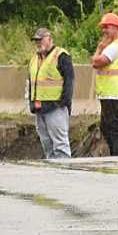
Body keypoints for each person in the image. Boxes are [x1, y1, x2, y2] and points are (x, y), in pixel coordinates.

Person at [27, 27, 73, 160]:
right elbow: (31, 83)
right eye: (36, 40)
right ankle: (52, 175)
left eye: (40, 40)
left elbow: (69, 81)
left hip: (55, 108)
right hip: (39, 108)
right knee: (47, 145)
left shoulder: (61, 55)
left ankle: (64, 175)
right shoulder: (34, 60)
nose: (38, 43)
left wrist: (63, 102)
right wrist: (31, 104)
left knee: (60, 145)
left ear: (50, 39)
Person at [91, 11, 118, 156]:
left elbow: (97, 62)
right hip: (110, 93)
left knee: (114, 127)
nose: (104, 30)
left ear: (116, 28)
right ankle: (116, 155)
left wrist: (100, 49)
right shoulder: (116, 45)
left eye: (107, 27)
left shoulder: (115, 46)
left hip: (113, 92)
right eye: (103, 27)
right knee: (107, 126)